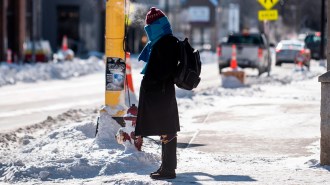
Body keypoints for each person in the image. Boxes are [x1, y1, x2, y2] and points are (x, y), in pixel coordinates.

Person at [134, 7, 180, 180]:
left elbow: (164, 70)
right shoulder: (163, 41)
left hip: (160, 93)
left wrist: (152, 82)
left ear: (156, 27)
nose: (148, 30)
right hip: (161, 93)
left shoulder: (166, 43)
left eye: (149, 27)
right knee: (166, 130)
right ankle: (166, 167)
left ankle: (168, 170)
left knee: (167, 130)